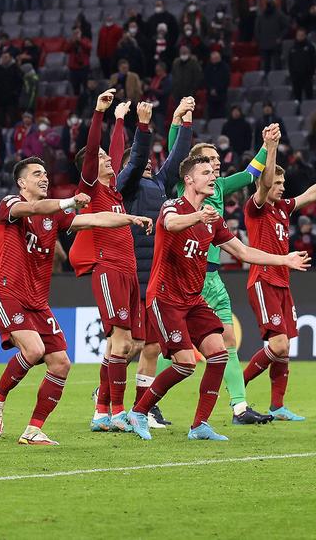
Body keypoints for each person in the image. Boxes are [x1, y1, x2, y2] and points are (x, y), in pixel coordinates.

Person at [127, 155, 311, 441]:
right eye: (205, 172)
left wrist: (284, 259)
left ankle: (199, 425)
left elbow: (243, 252)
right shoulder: (172, 206)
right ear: (189, 179)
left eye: (213, 172)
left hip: (193, 300)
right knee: (186, 363)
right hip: (165, 297)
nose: (213, 176)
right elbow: (172, 224)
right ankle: (139, 411)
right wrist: (198, 216)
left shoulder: (213, 220)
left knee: (219, 353)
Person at [0, 159, 153, 446]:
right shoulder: (10, 204)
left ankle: (33, 430)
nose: (44, 178)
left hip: (37, 301)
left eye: (45, 173)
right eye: (36, 174)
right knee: (34, 349)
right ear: (22, 182)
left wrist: (131, 219)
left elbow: (95, 219)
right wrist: (69, 202)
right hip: (7, 293)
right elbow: (33, 209)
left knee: (61, 364)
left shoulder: (55, 216)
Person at [161, 124, 274, 425]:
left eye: (217, 161)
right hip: (188, 277)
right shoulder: (182, 190)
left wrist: (267, 145)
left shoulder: (220, 186)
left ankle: (240, 407)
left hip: (213, 276)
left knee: (228, 340)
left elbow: (251, 174)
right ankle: (146, 398)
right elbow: (175, 154)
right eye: (209, 161)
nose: (215, 165)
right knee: (175, 347)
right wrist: (180, 121)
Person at [243, 153, 316, 422]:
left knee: (285, 349)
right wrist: (271, 150)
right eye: (277, 182)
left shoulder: (283, 208)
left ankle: (277, 406)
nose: (282, 187)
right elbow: (264, 185)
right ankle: (238, 385)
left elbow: (311, 194)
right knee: (278, 345)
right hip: (263, 280)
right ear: (264, 184)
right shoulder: (256, 207)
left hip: (283, 282)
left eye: (283, 182)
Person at [70, 93, 153, 432]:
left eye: (108, 157)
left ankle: (101, 412)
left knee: (131, 344)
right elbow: (94, 151)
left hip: (129, 272)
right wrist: (98, 113)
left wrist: (119, 120)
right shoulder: (91, 188)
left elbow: (116, 152)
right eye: (101, 158)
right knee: (121, 342)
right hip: (109, 269)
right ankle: (117, 411)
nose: (107, 159)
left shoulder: (115, 190)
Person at [122, 96, 195, 429]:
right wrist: (142, 127)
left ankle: (144, 408)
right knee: (129, 345)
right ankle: (105, 395)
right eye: (143, 162)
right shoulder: (126, 186)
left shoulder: (159, 185)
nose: (149, 164)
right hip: (133, 275)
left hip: (155, 278)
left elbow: (178, 159)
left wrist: (185, 123)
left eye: (153, 161)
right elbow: (137, 159)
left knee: (151, 347)